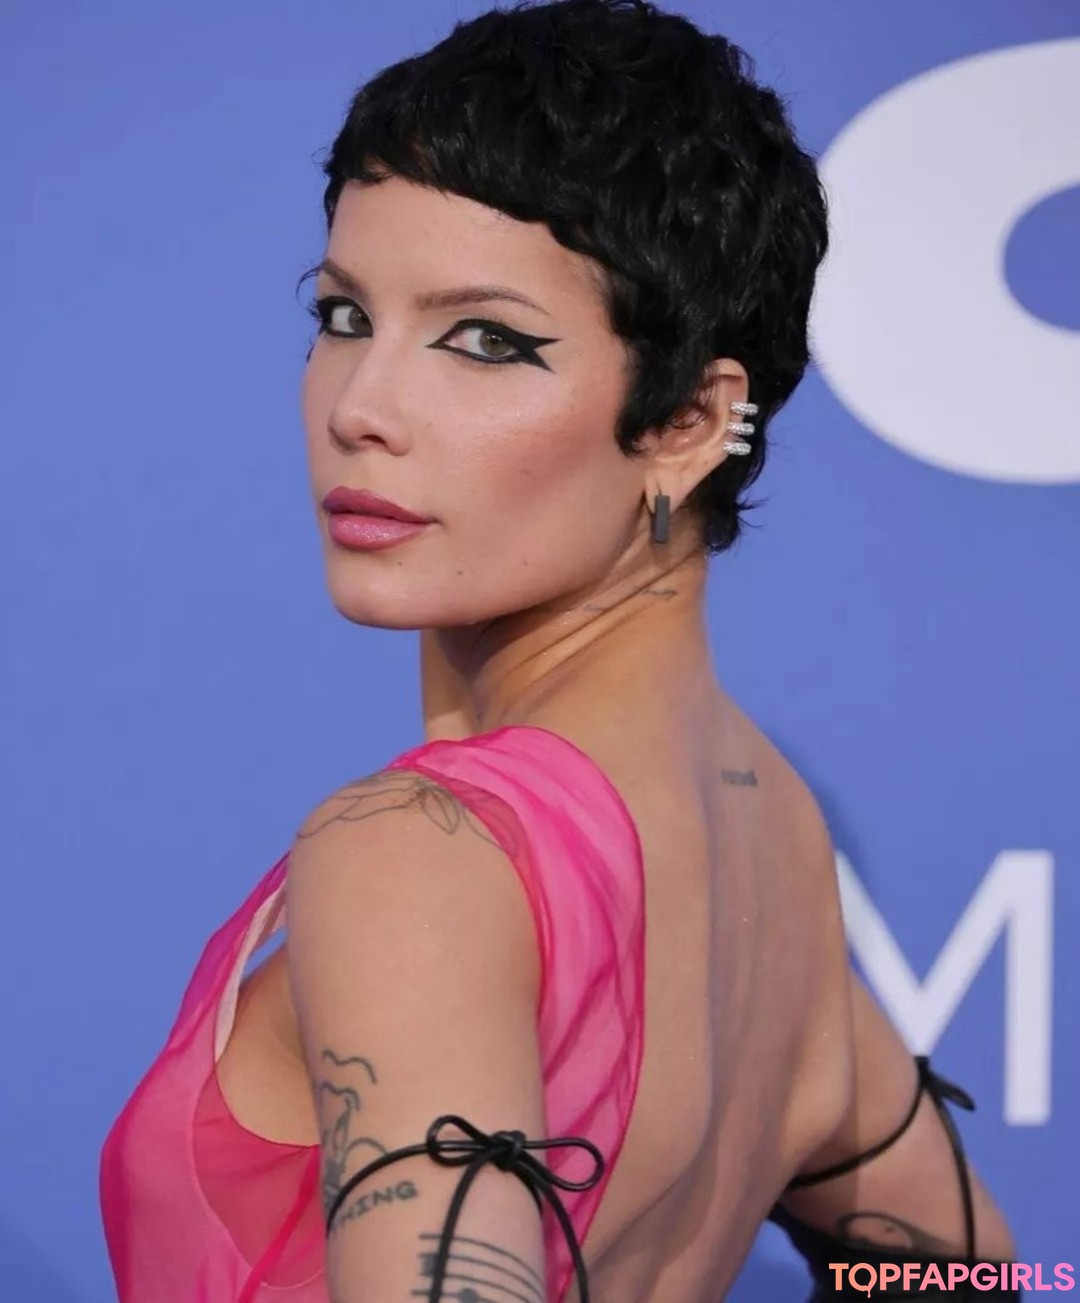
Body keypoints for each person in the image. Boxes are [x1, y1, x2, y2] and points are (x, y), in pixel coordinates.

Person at [99, 1, 1018, 1299]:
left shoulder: (420, 854)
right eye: (346, 315)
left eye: (486, 341)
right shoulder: (771, 836)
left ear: (689, 421)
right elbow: (971, 1273)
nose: (362, 406)